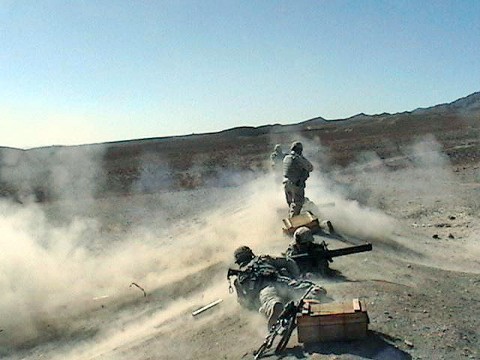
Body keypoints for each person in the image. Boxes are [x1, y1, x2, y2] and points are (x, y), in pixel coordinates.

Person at [228, 245, 326, 329]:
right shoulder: (263, 259)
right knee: (303, 288)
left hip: (264, 291)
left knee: (270, 301)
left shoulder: (238, 279)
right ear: (250, 254)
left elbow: (244, 302)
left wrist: (254, 305)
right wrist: (296, 277)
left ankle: (275, 307)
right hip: (280, 281)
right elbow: (288, 262)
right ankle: (312, 293)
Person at [282, 141, 314, 218]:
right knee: (297, 204)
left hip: (286, 184)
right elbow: (310, 167)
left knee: (291, 205)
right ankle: (293, 223)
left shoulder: (286, 158)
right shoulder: (298, 158)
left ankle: (290, 219)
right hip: (296, 184)